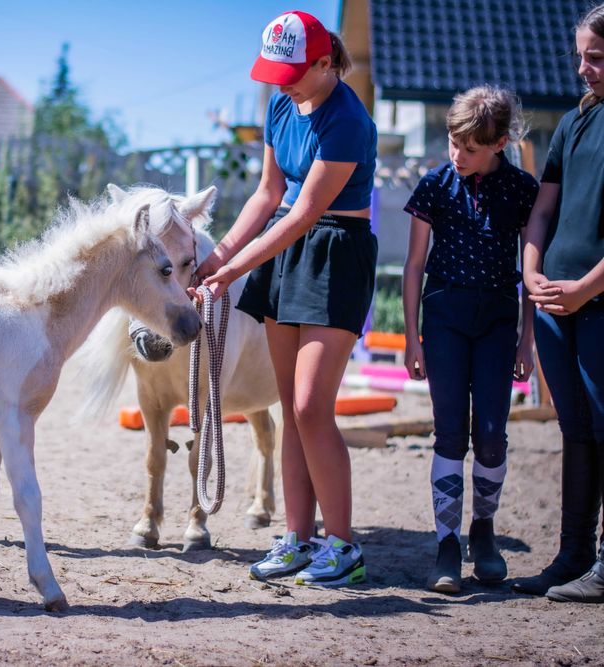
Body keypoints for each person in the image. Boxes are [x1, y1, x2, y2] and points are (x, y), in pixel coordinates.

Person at [195, 10, 377, 586]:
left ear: (325, 62)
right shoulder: (279, 102)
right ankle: (297, 539)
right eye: (276, 71)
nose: (282, 81)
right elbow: (268, 192)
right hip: (284, 250)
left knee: (309, 406)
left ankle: (343, 546)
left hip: (334, 252)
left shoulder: (348, 119)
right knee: (288, 409)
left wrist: (229, 273)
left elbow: (304, 213)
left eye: (293, 71)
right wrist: (218, 255)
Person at [402, 86, 539, 594]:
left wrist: (526, 341)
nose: (457, 155)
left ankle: (484, 532)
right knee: (449, 432)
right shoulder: (435, 186)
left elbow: (530, 270)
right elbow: (414, 265)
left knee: (490, 434)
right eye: (453, 144)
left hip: (499, 322)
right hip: (444, 320)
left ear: (499, 143)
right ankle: (446, 544)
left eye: (470, 149)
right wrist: (413, 339)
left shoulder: (522, 190)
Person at [513, 2, 604, 603]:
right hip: (553, 303)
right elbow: (543, 208)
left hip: (595, 301)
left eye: (595, 56)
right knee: (575, 428)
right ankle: (572, 558)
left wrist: (586, 287)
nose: (582, 68)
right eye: (580, 56)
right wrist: (531, 269)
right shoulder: (574, 124)